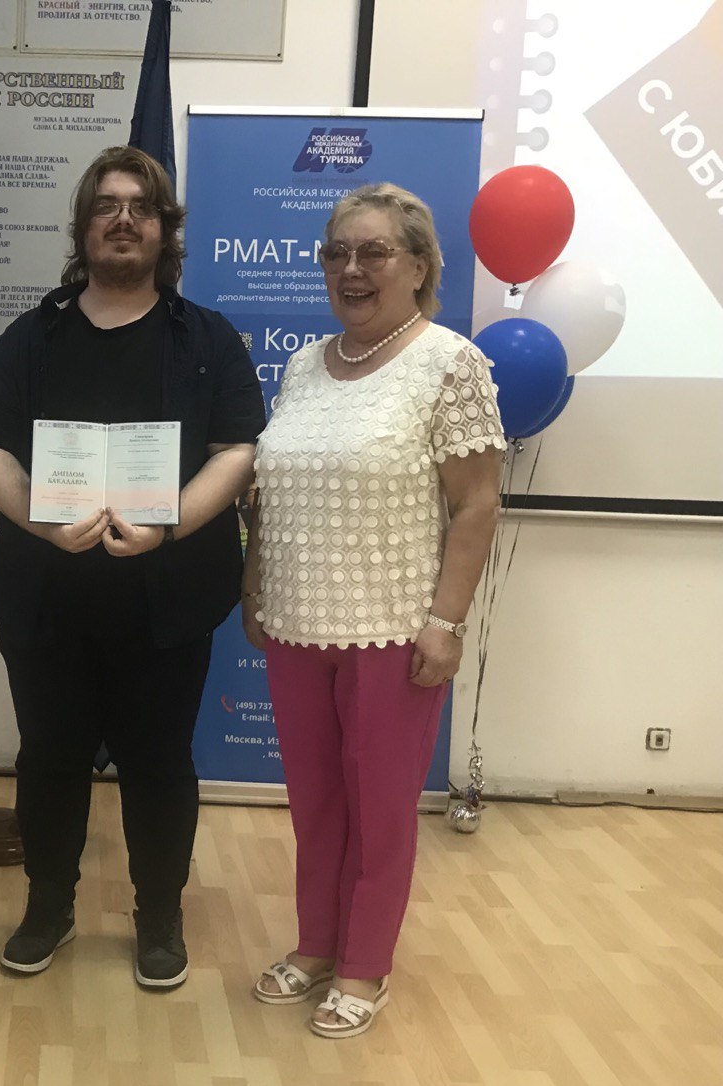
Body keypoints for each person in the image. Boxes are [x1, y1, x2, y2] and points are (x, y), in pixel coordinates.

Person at [0, 146, 265, 990]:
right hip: (47, 598)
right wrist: (40, 522)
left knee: (160, 763)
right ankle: (48, 906)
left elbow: (236, 450)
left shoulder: (208, 338)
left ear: (166, 229)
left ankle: (159, 915)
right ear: (83, 227)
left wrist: (169, 528)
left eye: (141, 206)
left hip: (167, 602)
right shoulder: (34, 335)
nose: (123, 220)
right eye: (106, 205)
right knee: (47, 759)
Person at [243, 183, 505, 1037]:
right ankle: (317, 944)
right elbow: (272, 489)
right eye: (336, 253)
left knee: (381, 811)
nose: (350, 269)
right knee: (316, 804)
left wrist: (447, 623)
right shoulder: (302, 366)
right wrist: (255, 584)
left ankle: (365, 965)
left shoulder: (450, 364)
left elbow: (476, 504)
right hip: (296, 622)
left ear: (419, 267)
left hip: (395, 629)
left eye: (373, 252)